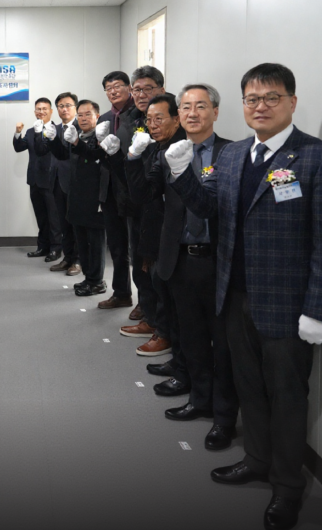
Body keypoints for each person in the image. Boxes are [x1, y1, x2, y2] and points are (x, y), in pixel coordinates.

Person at [166, 62, 322, 530]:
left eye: (272, 98)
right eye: (252, 99)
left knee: (287, 398)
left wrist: (318, 310)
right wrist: (182, 173)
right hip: (234, 298)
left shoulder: (319, 158)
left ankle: (287, 488)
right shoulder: (232, 156)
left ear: (292, 102)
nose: (261, 106)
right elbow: (209, 207)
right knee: (249, 387)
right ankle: (256, 459)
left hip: (289, 308)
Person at [125, 85, 238, 450]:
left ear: (215, 112)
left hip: (219, 262)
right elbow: (142, 196)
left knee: (223, 345)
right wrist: (133, 158)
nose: (192, 113)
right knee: (191, 337)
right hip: (180, 258)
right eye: (186, 107)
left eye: (200, 106)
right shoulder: (168, 154)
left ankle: (224, 418)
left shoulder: (231, 154)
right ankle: (199, 400)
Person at [124, 94, 186, 368]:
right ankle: (162, 332)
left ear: (176, 119)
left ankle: (167, 337)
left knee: (171, 291)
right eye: (149, 120)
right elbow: (143, 193)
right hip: (155, 225)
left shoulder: (184, 148)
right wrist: (132, 156)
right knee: (157, 283)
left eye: (159, 118)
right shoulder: (158, 149)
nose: (152, 125)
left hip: (181, 235)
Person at [41, 100, 121, 295]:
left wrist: (77, 143)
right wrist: (52, 139)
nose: (83, 118)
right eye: (80, 115)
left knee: (95, 244)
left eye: (88, 114)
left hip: (95, 200)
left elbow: (94, 156)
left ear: (97, 116)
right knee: (82, 243)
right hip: (76, 197)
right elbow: (63, 155)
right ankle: (88, 278)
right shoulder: (77, 134)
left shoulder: (102, 137)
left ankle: (97, 282)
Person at [95, 72, 136, 310]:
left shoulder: (138, 114)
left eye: (118, 86)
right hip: (109, 189)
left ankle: (146, 303)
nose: (113, 91)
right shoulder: (105, 118)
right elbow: (100, 156)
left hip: (133, 188)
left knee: (138, 248)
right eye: (108, 88)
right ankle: (121, 293)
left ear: (129, 87)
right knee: (117, 246)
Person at [14, 97, 61, 262]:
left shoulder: (57, 130)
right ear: (34, 111)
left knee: (54, 217)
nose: (41, 112)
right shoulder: (30, 131)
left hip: (51, 180)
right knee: (41, 217)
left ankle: (56, 249)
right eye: (38, 109)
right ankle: (43, 247)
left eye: (44, 109)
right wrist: (18, 132)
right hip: (34, 180)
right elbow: (19, 147)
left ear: (51, 111)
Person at [46, 92, 81, 275]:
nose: (64, 109)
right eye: (61, 106)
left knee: (76, 224)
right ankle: (67, 258)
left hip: (76, 183)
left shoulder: (81, 126)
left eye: (68, 105)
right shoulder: (56, 128)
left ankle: (78, 260)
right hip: (57, 181)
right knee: (63, 223)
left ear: (75, 107)